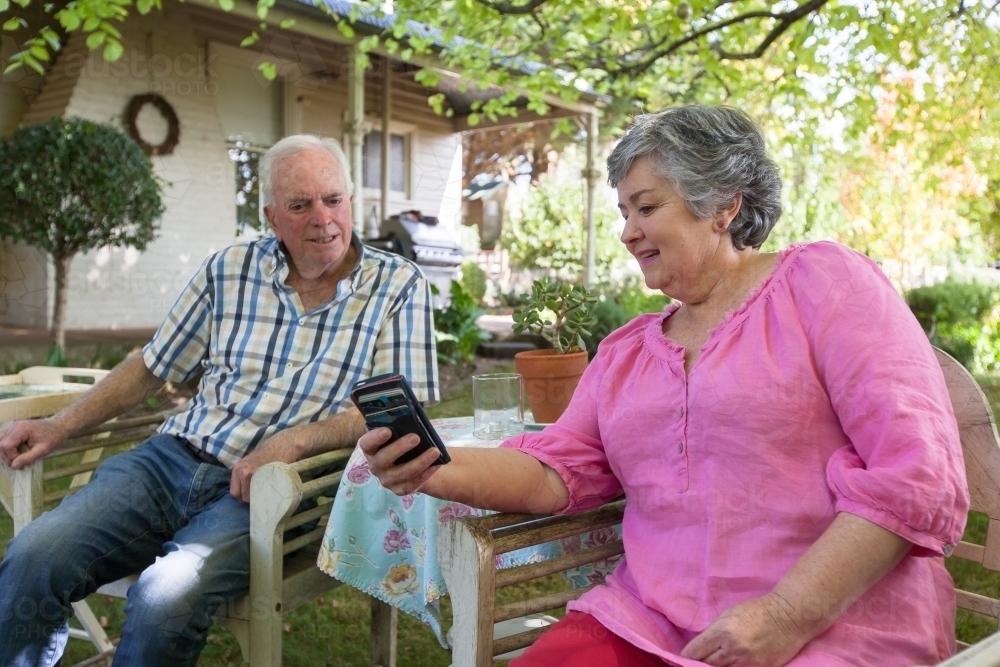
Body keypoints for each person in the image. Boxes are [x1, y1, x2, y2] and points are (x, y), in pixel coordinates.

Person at [361, 106, 969, 667]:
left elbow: (919, 475)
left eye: (647, 208)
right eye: (623, 212)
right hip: (649, 622)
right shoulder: (627, 351)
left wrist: (788, 616)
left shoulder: (825, 284)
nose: (628, 231)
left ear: (722, 206)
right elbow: (556, 471)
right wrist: (433, 467)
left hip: (833, 625)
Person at [0, 134, 438, 666]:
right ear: (272, 216)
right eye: (300, 205)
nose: (322, 218)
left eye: (333, 199)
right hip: (169, 463)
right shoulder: (229, 269)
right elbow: (150, 367)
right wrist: (58, 426)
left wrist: (293, 442)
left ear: (350, 200)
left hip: (276, 491)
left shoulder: (397, 285)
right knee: (34, 555)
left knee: (165, 599)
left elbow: (395, 408)